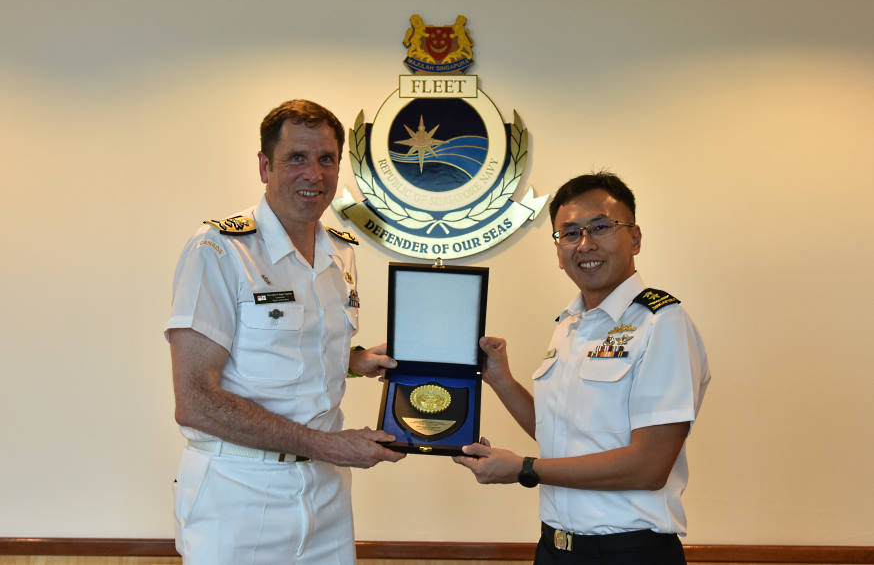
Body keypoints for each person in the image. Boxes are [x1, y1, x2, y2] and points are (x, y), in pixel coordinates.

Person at [165, 99, 405, 565]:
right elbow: (195, 400)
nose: (314, 174)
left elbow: (292, 346)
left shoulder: (340, 251)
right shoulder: (219, 250)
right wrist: (328, 444)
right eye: (296, 158)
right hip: (238, 491)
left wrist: (353, 361)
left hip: (326, 492)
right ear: (264, 166)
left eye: (326, 159)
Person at [454, 172, 710, 565]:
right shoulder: (571, 325)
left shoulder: (661, 323)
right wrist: (502, 381)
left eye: (601, 227)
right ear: (558, 250)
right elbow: (559, 432)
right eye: (569, 233)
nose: (585, 244)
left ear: (635, 238)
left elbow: (649, 466)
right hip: (555, 549)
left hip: (629, 553)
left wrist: (524, 469)